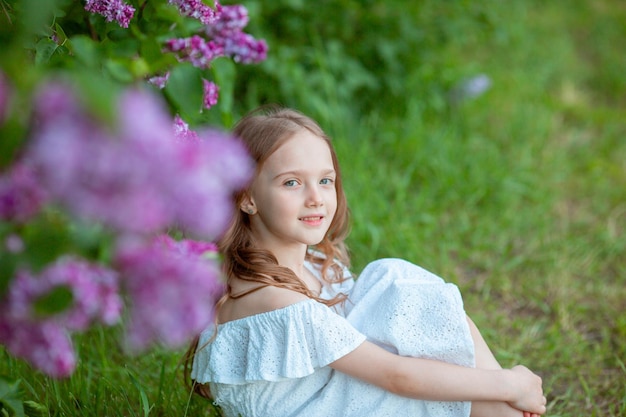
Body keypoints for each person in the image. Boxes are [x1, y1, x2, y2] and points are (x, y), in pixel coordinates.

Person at [185, 106, 547, 417]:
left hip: (335, 399)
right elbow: (395, 376)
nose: (316, 198)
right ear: (247, 197)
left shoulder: (311, 268)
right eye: (292, 183)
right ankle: (512, 398)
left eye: (325, 181)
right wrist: (510, 382)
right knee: (477, 396)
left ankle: (509, 403)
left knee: (402, 288)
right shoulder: (274, 300)